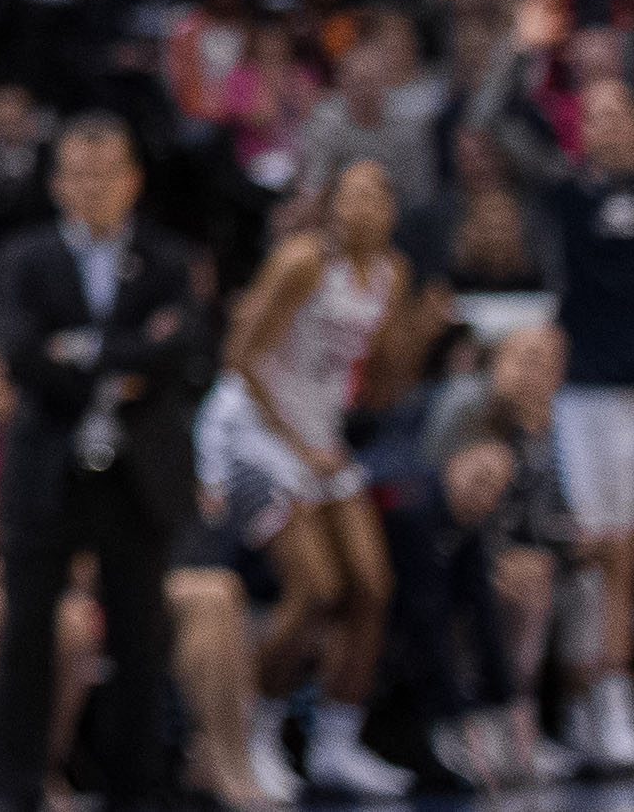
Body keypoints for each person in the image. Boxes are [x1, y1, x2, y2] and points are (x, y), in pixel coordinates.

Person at [0, 119, 215, 812]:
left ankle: (135, 787)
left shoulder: (167, 259)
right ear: (56, 183)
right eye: (76, 173)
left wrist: (81, 353)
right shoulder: (26, 258)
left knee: (141, 637)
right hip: (48, 467)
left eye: (104, 172)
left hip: (137, 471)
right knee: (27, 632)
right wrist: (125, 358)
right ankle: (17, 786)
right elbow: (21, 355)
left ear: (132, 179)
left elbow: (179, 354)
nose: (90, 186)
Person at [198, 158, 409, 797]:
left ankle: (336, 746)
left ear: (391, 210)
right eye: (348, 198)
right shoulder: (302, 262)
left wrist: (415, 340)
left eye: (373, 197)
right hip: (254, 430)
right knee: (315, 589)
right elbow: (240, 355)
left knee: (371, 588)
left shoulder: (392, 275)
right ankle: (253, 735)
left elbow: (373, 376)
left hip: (319, 436)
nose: (359, 210)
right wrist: (294, 444)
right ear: (332, 208)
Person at [553, 79, 634, 772]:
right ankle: (608, 706)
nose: (605, 124)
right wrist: (527, 51)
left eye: (616, 111)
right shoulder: (565, 196)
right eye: (591, 114)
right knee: (610, 553)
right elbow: (491, 123)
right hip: (592, 393)